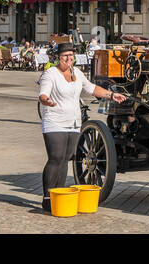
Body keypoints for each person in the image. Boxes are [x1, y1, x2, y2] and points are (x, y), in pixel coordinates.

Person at [37, 43, 126, 213]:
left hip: (74, 122)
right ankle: (47, 197)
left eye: (71, 55)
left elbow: (92, 88)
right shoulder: (51, 74)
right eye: (65, 56)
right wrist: (46, 100)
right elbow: (43, 93)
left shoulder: (76, 73)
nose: (69, 59)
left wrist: (112, 95)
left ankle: (59, 194)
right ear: (58, 57)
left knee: (65, 159)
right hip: (55, 122)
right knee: (55, 158)